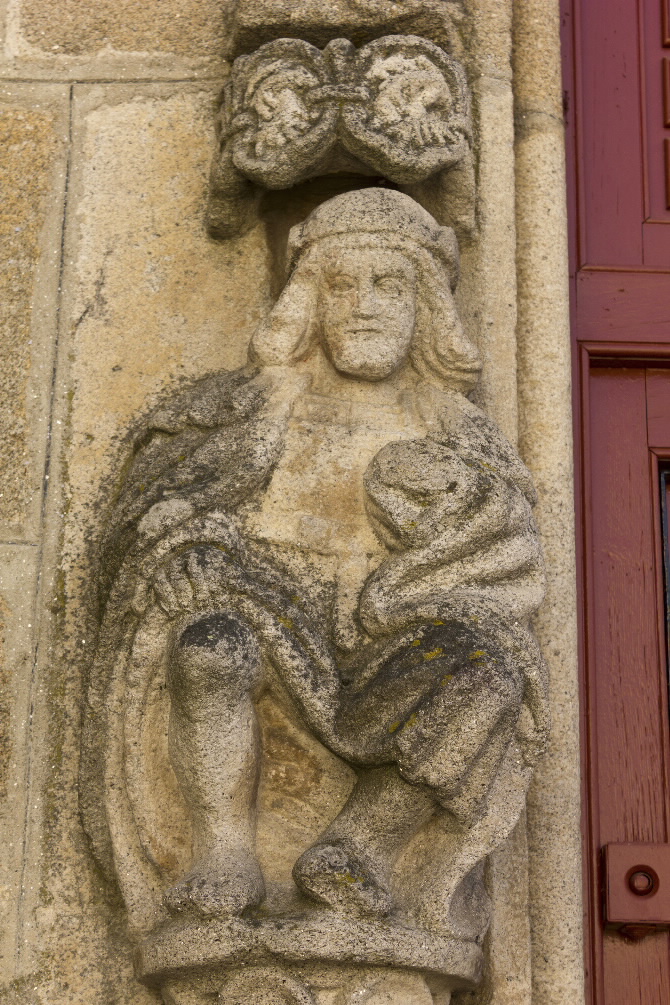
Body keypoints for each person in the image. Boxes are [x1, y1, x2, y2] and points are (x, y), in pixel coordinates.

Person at [90, 189, 547, 928]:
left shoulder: (458, 432)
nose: (365, 304)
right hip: (270, 608)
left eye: (389, 285)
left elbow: (506, 553)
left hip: (397, 631)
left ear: (425, 306)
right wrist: (187, 548)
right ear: (311, 301)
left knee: (486, 670)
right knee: (210, 645)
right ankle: (225, 851)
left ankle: (358, 846)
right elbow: (169, 512)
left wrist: (455, 537)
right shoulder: (257, 411)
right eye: (342, 284)